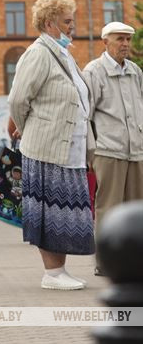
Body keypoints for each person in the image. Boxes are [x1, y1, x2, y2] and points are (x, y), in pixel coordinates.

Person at [8, 0, 96, 290]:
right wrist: (29, 128)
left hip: (69, 149)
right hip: (46, 148)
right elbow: (18, 100)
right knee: (50, 211)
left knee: (65, 212)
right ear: (49, 23)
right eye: (67, 21)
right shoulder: (38, 53)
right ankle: (52, 273)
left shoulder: (63, 53)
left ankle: (60, 270)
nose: (72, 26)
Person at [83, 21, 142, 276]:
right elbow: (85, 115)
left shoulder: (135, 71)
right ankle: (105, 262)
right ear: (105, 41)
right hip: (108, 151)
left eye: (128, 39)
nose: (125, 44)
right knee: (108, 208)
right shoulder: (94, 71)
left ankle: (135, 261)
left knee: (137, 208)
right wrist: (89, 153)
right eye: (120, 39)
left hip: (137, 151)